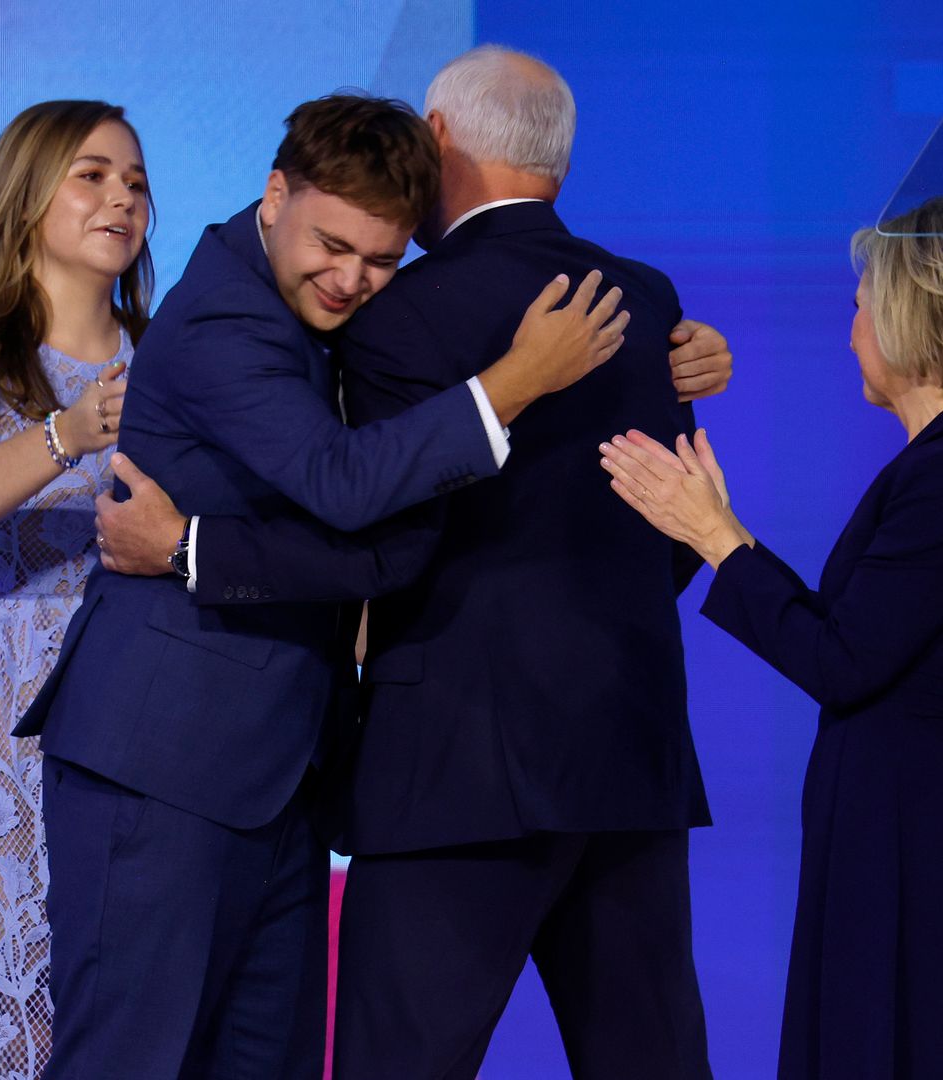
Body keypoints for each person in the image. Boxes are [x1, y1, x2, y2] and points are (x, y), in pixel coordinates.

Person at [98, 48, 731, 1079]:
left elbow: (376, 537)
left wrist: (184, 548)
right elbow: (672, 538)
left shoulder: (404, 314)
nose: (354, 275)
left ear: (435, 143)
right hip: (631, 754)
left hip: (453, 771)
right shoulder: (648, 299)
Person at [598, 197, 943, 1078]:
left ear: (909, 312)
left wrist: (715, 538)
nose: (853, 321)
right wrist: (723, 530)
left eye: (864, 298)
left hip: (909, 841)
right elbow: (859, 633)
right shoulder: (921, 465)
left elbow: (843, 661)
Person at [0, 100, 152, 1080]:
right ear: (25, 195)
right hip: (4, 710)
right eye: (92, 175)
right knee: (22, 993)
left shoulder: (171, 357)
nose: (121, 198)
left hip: (139, 694)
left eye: (135, 182)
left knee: (133, 986)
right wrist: (63, 435)